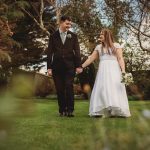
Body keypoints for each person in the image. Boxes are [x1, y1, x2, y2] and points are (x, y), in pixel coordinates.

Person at [82, 29, 131, 118]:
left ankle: (116, 109)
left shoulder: (116, 46)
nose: (100, 35)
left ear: (107, 36)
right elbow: (91, 59)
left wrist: (123, 71)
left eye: (102, 34)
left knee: (114, 88)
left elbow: (120, 58)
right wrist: (81, 66)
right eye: (100, 34)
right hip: (103, 71)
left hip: (114, 70)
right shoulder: (98, 47)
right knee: (102, 88)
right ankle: (103, 109)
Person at [47, 16, 83, 117]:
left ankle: (70, 110)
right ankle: (62, 110)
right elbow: (49, 52)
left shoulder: (73, 36)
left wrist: (78, 65)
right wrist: (49, 67)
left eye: (70, 24)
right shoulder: (53, 36)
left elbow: (77, 51)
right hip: (56, 67)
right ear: (61, 23)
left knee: (68, 86)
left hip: (70, 67)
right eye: (67, 23)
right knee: (59, 89)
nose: (69, 26)